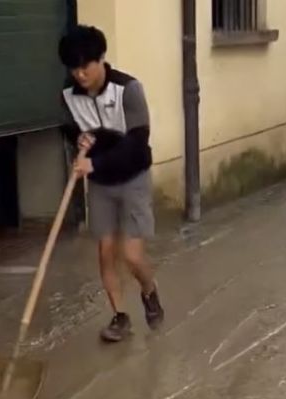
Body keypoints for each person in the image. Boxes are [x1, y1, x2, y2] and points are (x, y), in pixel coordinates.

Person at [57, 25, 165, 343]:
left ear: (101, 60)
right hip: (101, 184)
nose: (79, 74)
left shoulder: (128, 90)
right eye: (73, 68)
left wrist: (95, 162)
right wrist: (79, 138)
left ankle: (149, 291)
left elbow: (137, 143)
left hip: (133, 178)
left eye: (85, 66)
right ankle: (120, 317)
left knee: (131, 256)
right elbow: (68, 128)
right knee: (105, 253)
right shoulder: (68, 94)